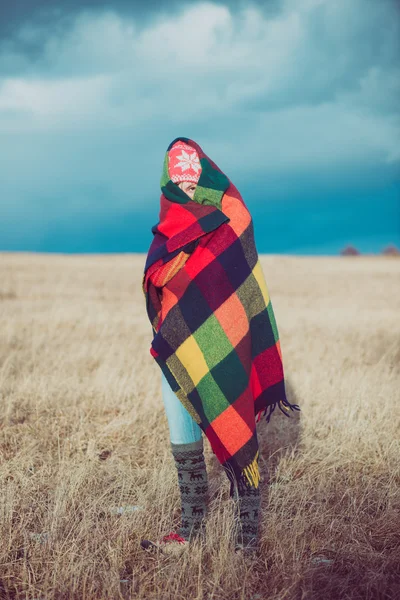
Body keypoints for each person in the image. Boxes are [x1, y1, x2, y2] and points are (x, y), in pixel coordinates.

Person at [141, 138, 300, 557]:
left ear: (206, 169)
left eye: (192, 168)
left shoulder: (232, 211)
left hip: (229, 337)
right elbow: (160, 277)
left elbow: (241, 278)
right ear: (168, 178)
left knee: (235, 417)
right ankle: (191, 526)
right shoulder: (169, 222)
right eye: (178, 172)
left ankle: (247, 536)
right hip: (183, 343)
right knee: (182, 423)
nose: (186, 178)